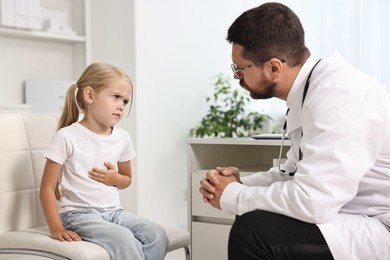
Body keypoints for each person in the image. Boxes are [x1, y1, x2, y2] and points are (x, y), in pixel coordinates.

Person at [199, 2, 390, 260]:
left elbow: (313, 201)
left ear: (274, 67)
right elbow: (294, 173)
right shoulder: (313, 91)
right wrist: (240, 184)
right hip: (348, 212)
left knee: (253, 231)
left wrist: (234, 195)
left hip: (378, 225)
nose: (237, 78)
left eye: (240, 68)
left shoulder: (339, 96)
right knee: (254, 215)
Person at [40, 63, 168, 260]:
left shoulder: (122, 137)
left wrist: (114, 178)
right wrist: (56, 228)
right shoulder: (67, 137)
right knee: (124, 238)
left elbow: (126, 180)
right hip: (78, 215)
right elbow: (47, 189)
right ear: (90, 96)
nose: (121, 106)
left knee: (157, 235)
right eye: (116, 97)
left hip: (114, 213)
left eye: (125, 101)